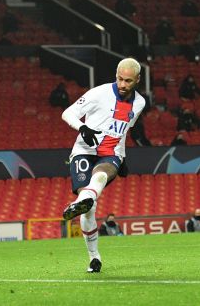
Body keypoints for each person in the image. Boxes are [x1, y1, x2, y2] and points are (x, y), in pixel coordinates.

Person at [61, 58, 146, 273]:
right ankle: (94, 257)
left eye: (128, 80)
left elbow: (124, 130)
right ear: (115, 75)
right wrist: (83, 128)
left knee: (98, 180)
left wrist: (123, 157)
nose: (123, 84)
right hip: (83, 150)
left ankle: (85, 198)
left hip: (111, 153)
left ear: (137, 80)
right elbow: (67, 113)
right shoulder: (98, 93)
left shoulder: (139, 103)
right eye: (119, 79)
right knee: (89, 210)